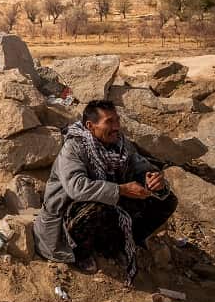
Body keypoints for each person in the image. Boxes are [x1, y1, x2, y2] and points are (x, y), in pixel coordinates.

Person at [34, 100, 177, 283]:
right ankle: (81, 253)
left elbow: (140, 167)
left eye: (117, 120)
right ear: (90, 126)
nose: (116, 127)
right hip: (67, 213)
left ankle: (117, 245)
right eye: (109, 122)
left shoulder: (120, 144)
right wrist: (120, 190)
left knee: (166, 200)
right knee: (96, 208)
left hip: (111, 203)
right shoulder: (73, 148)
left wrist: (153, 180)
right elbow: (76, 187)